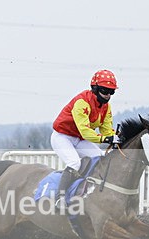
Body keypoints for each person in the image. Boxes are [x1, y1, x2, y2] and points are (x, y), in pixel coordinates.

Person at [51, 69, 121, 205]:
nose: (107, 95)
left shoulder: (107, 107)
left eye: (111, 92)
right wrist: (106, 139)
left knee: (101, 159)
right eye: (104, 91)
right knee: (74, 163)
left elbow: (107, 131)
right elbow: (85, 131)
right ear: (95, 88)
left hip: (79, 140)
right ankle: (60, 198)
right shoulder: (82, 102)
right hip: (62, 137)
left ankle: (88, 193)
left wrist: (116, 139)